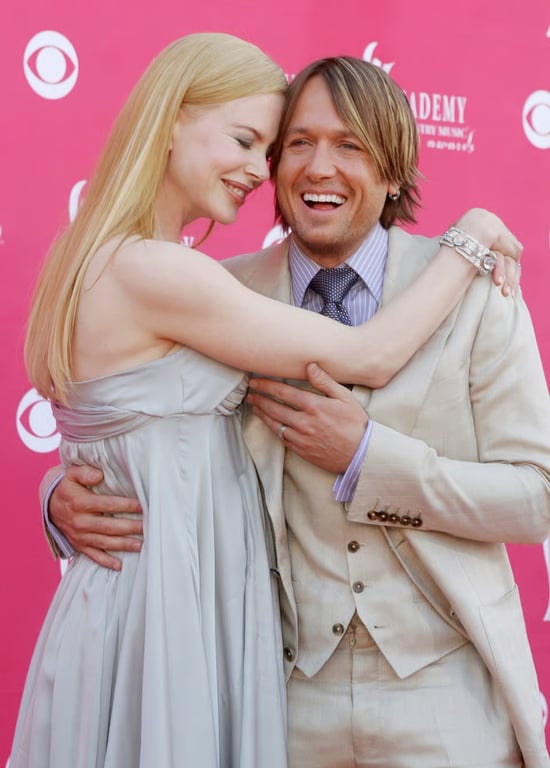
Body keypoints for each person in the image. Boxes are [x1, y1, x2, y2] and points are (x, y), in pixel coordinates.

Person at [32, 52, 536, 768]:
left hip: (445, 698)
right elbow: (142, 426)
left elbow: (538, 496)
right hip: (275, 700)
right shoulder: (215, 292)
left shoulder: (476, 295)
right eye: (294, 144)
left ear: (393, 171)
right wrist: (60, 498)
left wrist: (370, 460)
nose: (316, 167)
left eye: (351, 145)